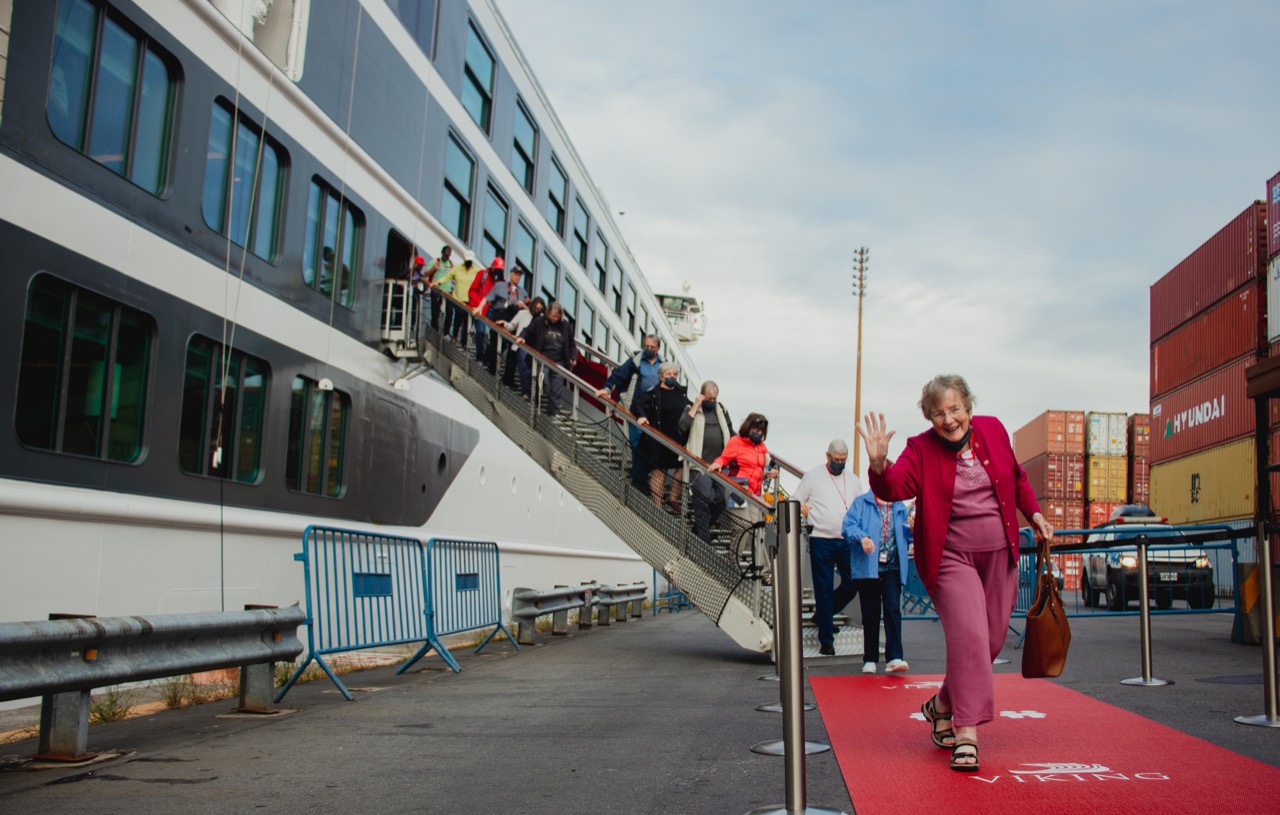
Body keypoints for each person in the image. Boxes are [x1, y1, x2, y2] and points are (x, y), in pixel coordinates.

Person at [859, 374, 1053, 773]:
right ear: (929, 418)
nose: (948, 420)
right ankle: (966, 732)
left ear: (968, 407)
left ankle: (941, 705)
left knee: (990, 643)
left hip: (1000, 553)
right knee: (970, 636)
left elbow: (1016, 478)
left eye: (954, 409)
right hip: (950, 557)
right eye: (938, 413)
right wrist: (878, 464)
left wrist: (1034, 513)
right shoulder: (920, 448)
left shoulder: (995, 430)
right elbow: (894, 486)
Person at [792, 440, 867, 659]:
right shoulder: (813, 477)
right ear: (828, 456)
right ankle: (826, 639)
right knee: (823, 589)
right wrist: (801, 507)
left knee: (853, 582)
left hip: (846, 540)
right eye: (836, 460)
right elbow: (794, 499)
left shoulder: (853, 480)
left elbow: (859, 508)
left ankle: (824, 615)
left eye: (843, 460)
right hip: (821, 539)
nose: (840, 464)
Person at [842, 489, 913, 673]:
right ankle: (870, 658)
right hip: (868, 567)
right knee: (870, 613)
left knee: (893, 610)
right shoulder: (861, 503)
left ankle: (895, 657)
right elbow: (848, 527)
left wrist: (914, 529)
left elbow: (909, 535)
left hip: (893, 567)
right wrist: (862, 537)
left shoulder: (900, 507)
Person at [596, 335, 663, 488]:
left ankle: (643, 476)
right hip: (637, 406)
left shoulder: (664, 364)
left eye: (652, 347)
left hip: (655, 410)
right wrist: (606, 388)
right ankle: (638, 479)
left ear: (658, 348)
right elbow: (619, 375)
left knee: (652, 444)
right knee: (636, 441)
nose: (648, 349)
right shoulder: (636, 361)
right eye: (646, 346)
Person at [680, 381, 734, 542]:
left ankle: (700, 529)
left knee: (724, 497)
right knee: (703, 496)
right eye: (709, 398)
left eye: (715, 398)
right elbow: (682, 427)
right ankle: (704, 538)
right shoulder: (692, 408)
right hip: (698, 465)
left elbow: (730, 431)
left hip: (718, 465)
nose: (712, 401)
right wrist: (696, 405)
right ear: (702, 396)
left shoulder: (721, 410)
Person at [634, 362, 692, 511]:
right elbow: (637, 405)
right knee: (659, 471)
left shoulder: (681, 393)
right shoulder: (654, 393)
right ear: (661, 377)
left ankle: (672, 498)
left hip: (678, 439)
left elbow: (689, 408)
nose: (672, 377)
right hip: (659, 440)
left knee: (681, 468)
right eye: (669, 375)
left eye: (674, 374)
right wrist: (642, 416)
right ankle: (658, 506)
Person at [516, 301, 578, 416]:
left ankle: (552, 413)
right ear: (549, 313)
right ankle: (534, 406)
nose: (555, 319)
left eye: (558, 317)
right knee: (543, 382)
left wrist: (573, 356)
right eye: (553, 316)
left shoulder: (565, 326)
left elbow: (571, 343)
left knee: (556, 389)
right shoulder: (540, 321)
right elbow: (527, 330)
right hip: (543, 358)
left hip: (559, 362)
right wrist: (521, 337)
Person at [708, 413, 776, 497]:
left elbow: (768, 462)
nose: (759, 433)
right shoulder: (736, 441)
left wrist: (773, 471)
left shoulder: (761, 446)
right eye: (757, 430)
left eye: (762, 431)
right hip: (738, 490)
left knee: (756, 509)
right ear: (749, 428)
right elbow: (724, 458)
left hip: (755, 494)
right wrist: (718, 463)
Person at [476, 262, 527, 374]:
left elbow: (529, 309)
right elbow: (487, 298)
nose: (517, 277)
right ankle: (488, 364)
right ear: (510, 274)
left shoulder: (522, 292)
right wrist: (479, 307)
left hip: (513, 317)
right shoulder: (500, 286)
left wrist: (523, 306)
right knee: (496, 340)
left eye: (520, 275)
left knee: (510, 346)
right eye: (516, 274)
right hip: (500, 313)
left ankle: (503, 375)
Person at [433, 250, 484, 345]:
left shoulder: (477, 271)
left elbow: (482, 284)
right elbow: (447, 277)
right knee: (458, 318)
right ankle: (454, 336)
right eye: (467, 260)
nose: (469, 262)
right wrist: (437, 282)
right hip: (459, 299)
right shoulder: (457, 268)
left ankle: (464, 342)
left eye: (470, 261)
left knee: (468, 322)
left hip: (471, 301)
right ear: (464, 259)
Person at [499, 296, 544, 389]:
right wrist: (505, 324)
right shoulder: (523, 313)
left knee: (527, 370)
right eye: (537, 308)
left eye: (541, 309)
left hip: (532, 349)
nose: (538, 310)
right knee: (515, 367)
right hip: (519, 345)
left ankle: (527, 391)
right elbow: (512, 325)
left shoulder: (542, 321)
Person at [422, 245, 452, 329]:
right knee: (435, 313)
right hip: (436, 290)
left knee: (450, 311)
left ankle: (445, 332)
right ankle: (434, 331)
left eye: (448, 255)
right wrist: (434, 268)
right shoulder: (435, 261)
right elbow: (426, 274)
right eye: (445, 255)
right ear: (442, 253)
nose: (446, 257)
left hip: (447, 291)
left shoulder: (451, 264)